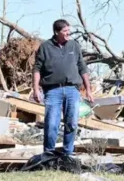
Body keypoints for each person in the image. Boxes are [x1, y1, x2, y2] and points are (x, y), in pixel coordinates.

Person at [32, 19, 93, 155]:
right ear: (56, 32)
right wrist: (36, 89)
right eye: (65, 31)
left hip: (72, 90)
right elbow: (37, 69)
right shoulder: (45, 47)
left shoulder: (74, 46)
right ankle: (48, 154)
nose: (68, 33)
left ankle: (68, 153)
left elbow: (82, 67)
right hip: (53, 90)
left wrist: (88, 89)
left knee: (71, 123)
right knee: (51, 123)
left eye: (68, 30)